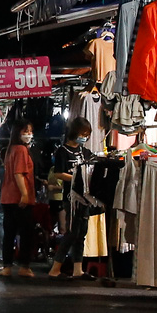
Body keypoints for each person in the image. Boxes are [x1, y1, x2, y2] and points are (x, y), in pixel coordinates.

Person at [48, 118, 95, 279]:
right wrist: (76, 177)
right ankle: (55, 268)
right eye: (83, 133)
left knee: (82, 232)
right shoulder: (62, 151)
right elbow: (58, 173)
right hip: (71, 198)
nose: (85, 137)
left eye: (87, 134)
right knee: (71, 232)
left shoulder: (85, 152)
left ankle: (78, 269)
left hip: (85, 197)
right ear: (75, 132)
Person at [0, 121, 37, 278]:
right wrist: (25, 194)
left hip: (8, 197)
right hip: (19, 197)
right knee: (26, 233)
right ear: (18, 132)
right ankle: (24, 266)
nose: (29, 134)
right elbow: (18, 173)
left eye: (30, 131)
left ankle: (7, 266)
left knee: (9, 233)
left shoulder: (10, 149)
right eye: (25, 130)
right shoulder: (21, 149)